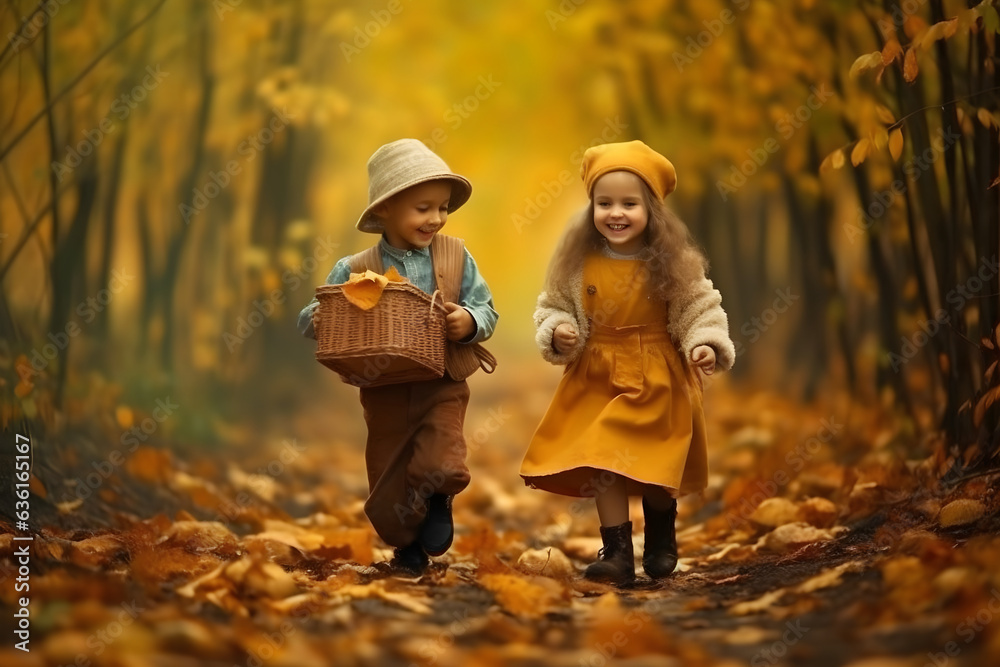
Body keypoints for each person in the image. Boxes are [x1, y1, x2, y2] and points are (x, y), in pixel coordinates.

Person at [520, 140, 734, 584]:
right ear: (591, 208)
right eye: (605, 203)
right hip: (596, 374)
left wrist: (705, 343)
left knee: (655, 465)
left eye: (629, 204)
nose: (616, 213)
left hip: (657, 372)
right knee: (602, 458)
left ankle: (660, 530)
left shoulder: (672, 264)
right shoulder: (580, 263)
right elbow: (553, 305)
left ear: (651, 210)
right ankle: (617, 550)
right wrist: (558, 330)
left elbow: (700, 307)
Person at [298, 139, 498, 574]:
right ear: (385, 209)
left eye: (442, 207)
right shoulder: (355, 266)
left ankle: (439, 496)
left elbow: (486, 308)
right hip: (382, 387)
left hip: (440, 379)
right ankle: (406, 547)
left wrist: (468, 320)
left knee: (440, 457)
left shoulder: (455, 255)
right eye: (423, 208)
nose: (436, 219)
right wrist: (320, 319)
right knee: (388, 471)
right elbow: (313, 313)